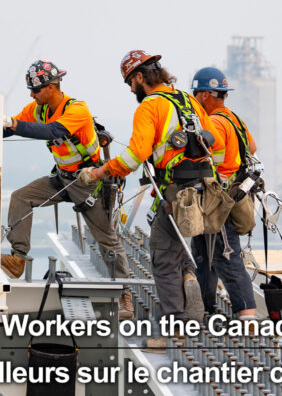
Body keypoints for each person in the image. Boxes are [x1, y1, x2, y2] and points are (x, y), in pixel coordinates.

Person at [0, 59, 135, 319]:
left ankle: (125, 294)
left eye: (36, 90)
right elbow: (8, 129)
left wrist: (12, 123)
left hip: (89, 181)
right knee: (21, 197)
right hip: (62, 179)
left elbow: (51, 131)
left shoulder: (77, 109)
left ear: (53, 86)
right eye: (31, 90)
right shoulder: (38, 109)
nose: (32, 95)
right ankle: (18, 259)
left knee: (107, 240)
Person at [80, 50, 220, 349]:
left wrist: (99, 172)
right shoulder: (187, 100)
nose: (131, 89)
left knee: (162, 257)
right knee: (179, 247)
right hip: (203, 188)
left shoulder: (149, 107)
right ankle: (189, 278)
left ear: (140, 77)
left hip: (174, 190)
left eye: (131, 82)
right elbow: (213, 139)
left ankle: (175, 330)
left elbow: (134, 156)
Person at [190, 66, 258, 320]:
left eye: (196, 95)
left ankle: (247, 316)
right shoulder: (233, 117)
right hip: (232, 194)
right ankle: (205, 306)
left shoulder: (215, 122)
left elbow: (209, 152)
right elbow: (251, 146)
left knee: (226, 254)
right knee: (204, 254)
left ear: (205, 94)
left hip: (220, 199)